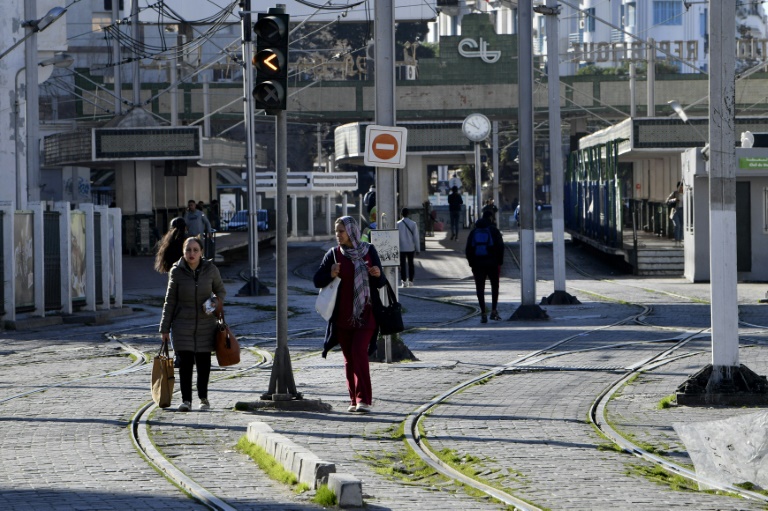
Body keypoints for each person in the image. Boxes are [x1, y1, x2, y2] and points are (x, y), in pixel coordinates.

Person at [313, 216, 385, 413]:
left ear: (352, 231)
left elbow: (381, 282)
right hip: (342, 317)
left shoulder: (369, 250)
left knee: (359, 352)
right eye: (336, 231)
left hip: (367, 314)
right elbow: (317, 280)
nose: (338, 235)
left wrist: (378, 274)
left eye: (341, 231)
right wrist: (330, 273)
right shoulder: (333, 255)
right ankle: (353, 399)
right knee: (348, 358)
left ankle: (364, 399)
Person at [159, 237, 226, 412]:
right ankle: (186, 400)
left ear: (201, 252)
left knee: (204, 363)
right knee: (186, 363)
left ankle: (203, 398)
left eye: (195, 250)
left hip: (206, 325)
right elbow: (170, 300)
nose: (192, 253)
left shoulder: (210, 269)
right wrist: (164, 328)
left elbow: (220, 291)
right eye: (188, 250)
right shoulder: (176, 271)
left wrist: (213, 302)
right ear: (183, 252)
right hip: (182, 325)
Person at [465, 209, 504, 323]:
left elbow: (468, 249)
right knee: (494, 286)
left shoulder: (474, 231)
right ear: (491, 218)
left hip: (478, 264)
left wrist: (472, 263)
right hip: (492, 263)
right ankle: (493, 310)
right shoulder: (494, 231)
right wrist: (499, 262)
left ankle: (483, 313)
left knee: (480, 288)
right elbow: (500, 247)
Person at [397, 208, 420, 287]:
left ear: (401, 214)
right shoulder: (413, 224)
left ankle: (403, 281)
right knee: (411, 265)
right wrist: (418, 249)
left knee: (402, 265)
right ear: (408, 214)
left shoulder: (398, 224)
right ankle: (411, 281)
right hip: (410, 247)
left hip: (401, 248)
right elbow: (416, 237)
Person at [667, 182, 684, 246]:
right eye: (680, 187)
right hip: (675, 211)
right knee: (678, 225)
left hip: (683, 210)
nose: (681, 188)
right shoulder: (675, 193)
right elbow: (668, 200)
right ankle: (676, 241)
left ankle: (680, 241)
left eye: (682, 187)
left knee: (681, 226)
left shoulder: (686, 194)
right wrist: (674, 200)